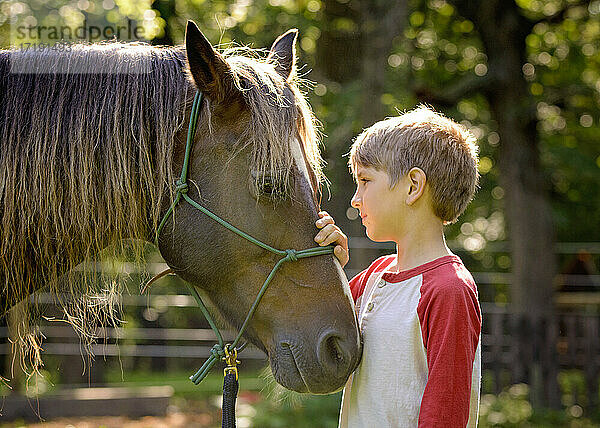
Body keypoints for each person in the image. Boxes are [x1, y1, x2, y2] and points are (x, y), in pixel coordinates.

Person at [314, 106, 482, 427]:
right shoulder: (374, 277)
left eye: (365, 181)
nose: (355, 199)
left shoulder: (448, 290)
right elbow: (319, 329)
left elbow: (445, 415)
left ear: (413, 186)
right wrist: (327, 264)